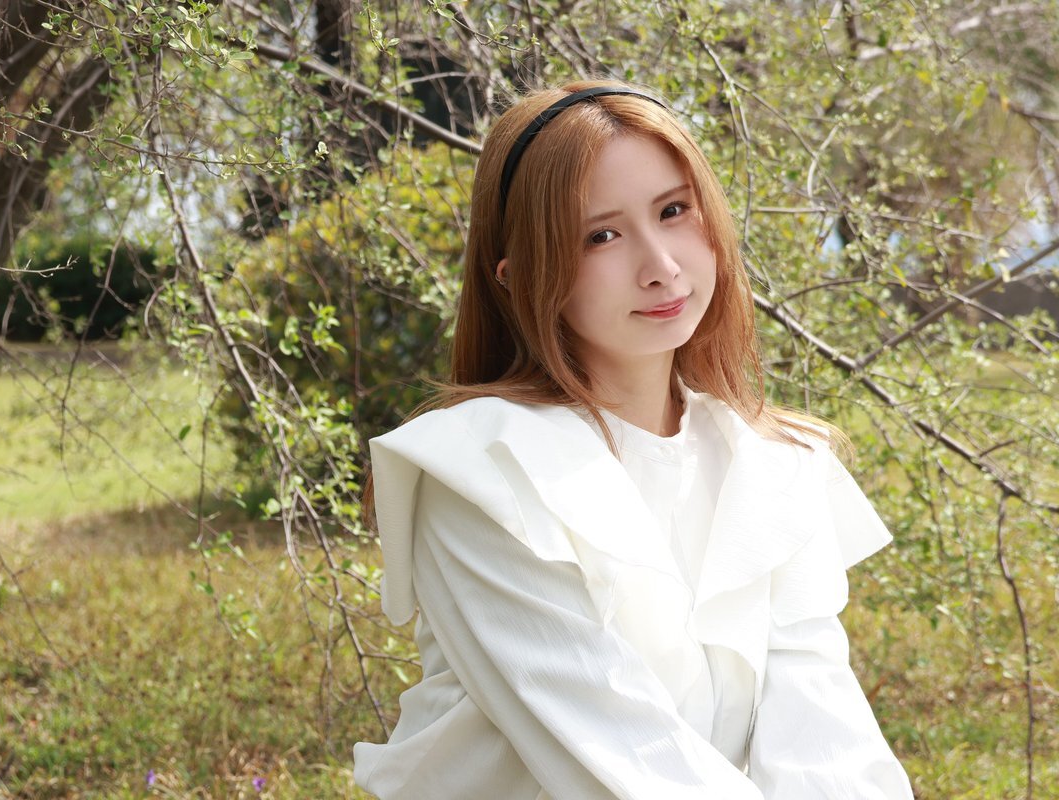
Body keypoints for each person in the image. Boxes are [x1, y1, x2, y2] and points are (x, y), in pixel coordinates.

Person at [352, 81, 914, 799]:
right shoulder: (481, 471)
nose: (662, 267)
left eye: (674, 211)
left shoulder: (776, 464)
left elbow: (826, 742)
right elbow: (624, 762)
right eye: (601, 236)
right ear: (519, 276)